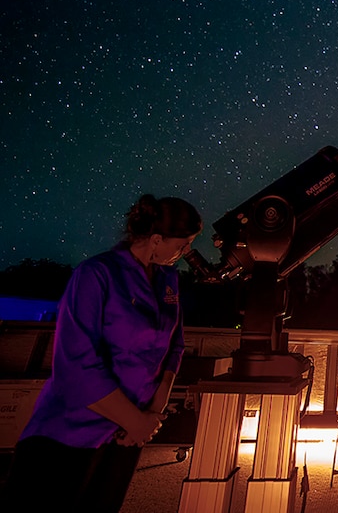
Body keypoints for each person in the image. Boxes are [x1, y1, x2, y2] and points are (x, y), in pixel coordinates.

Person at [2, 194, 202, 513]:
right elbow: (77, 365)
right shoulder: (96, 274)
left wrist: (152, 414)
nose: (186, 252)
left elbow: (174, 346)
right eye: (183, 243)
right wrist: (134, 420)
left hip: (126, 436)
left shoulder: (168, 280)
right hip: (70, 434)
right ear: (155, 239)